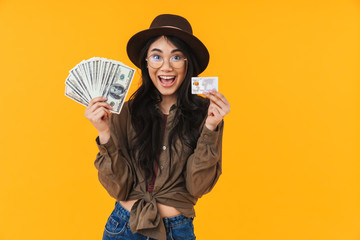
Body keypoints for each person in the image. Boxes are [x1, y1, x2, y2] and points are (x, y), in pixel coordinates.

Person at [85, 14, 230, 240]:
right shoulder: (125, 111)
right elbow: (118, 189)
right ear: (146, 62)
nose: (165, 67)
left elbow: (197, 186)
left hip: (176, 230)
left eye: (176, 57)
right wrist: (104, 133)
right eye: (156, 56)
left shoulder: (207, 113)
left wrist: (210, 127)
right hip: (124, 228)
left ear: (187, 63)